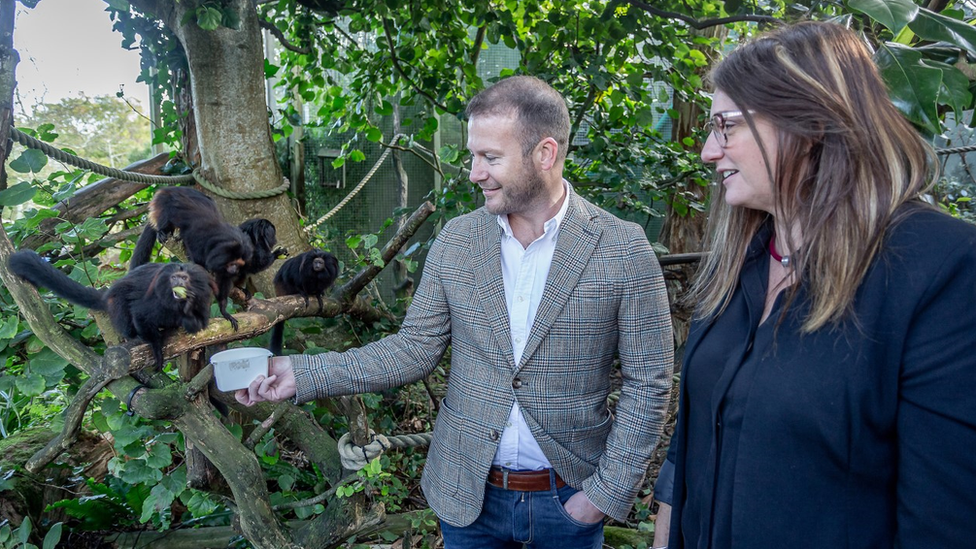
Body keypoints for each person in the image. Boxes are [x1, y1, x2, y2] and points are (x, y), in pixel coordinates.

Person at [237, 75, 675, 548]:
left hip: (571, 500)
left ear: (545, 154)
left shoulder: (622, 247)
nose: (474, 172)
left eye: (490, 157)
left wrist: (606, 495)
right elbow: (412, 350)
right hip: (467, 501)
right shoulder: (458, 241)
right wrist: (298, 373)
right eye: (473, 156)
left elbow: (648, 382)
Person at [651, 21, 976, 549]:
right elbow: (689, 447)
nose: (709, 151)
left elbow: (945, 524)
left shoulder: (943, 270)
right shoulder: (741, 263)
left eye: (726, 125)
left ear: (809, 121)